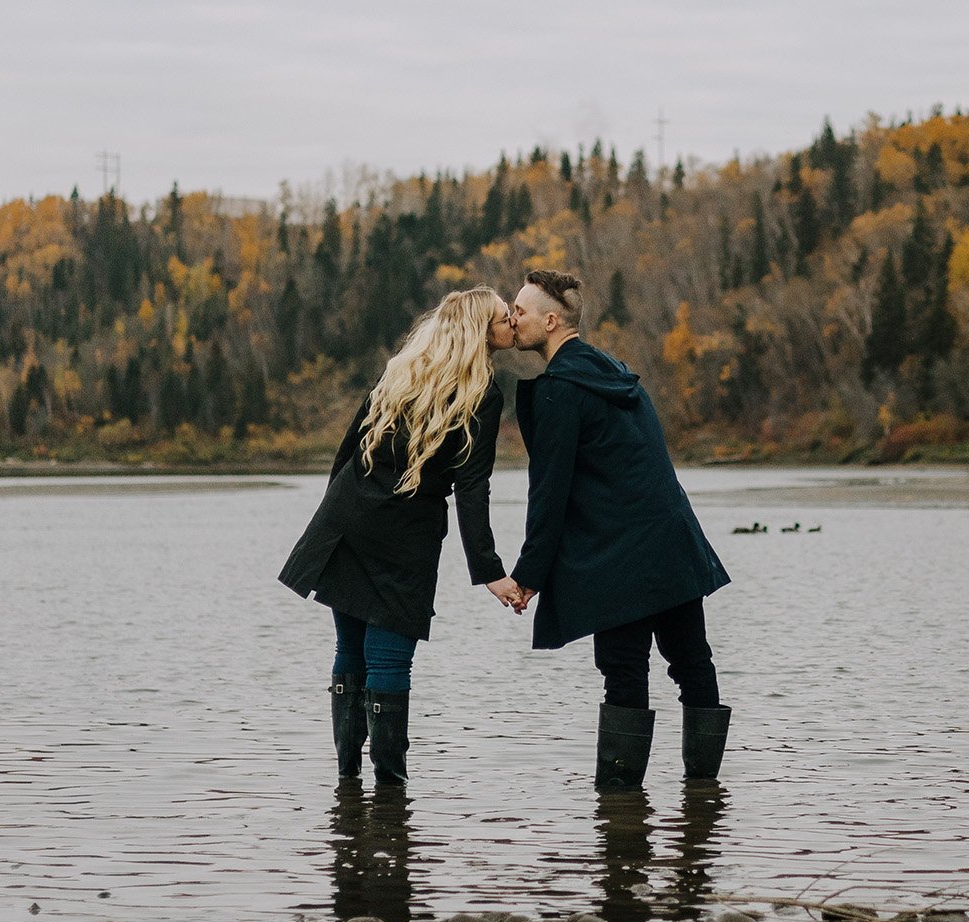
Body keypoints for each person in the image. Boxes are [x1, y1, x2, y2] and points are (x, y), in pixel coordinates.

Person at [497, 267, 734, 790]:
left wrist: (528, 575)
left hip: (621, 556)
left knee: (625, 670)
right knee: (692, 661)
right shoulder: (614, 372)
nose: (512, 319)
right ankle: (703, 803)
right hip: (671, 543)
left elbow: (550, 492)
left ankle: (621, 813)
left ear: (551, 321)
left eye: (520, 310)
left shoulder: (561, 390)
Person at [277, 288, 525, 783]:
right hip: (404, 538)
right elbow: (472, 487)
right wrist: (490, 571)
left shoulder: (403, 369)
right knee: (387, 659)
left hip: (350, 518)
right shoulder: (482, 394)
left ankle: (348, 784)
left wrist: (333, 518)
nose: (512, 324)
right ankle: (391, 792)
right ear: (480, 332)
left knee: (350, 651)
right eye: (504, 317)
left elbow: (349, 449)